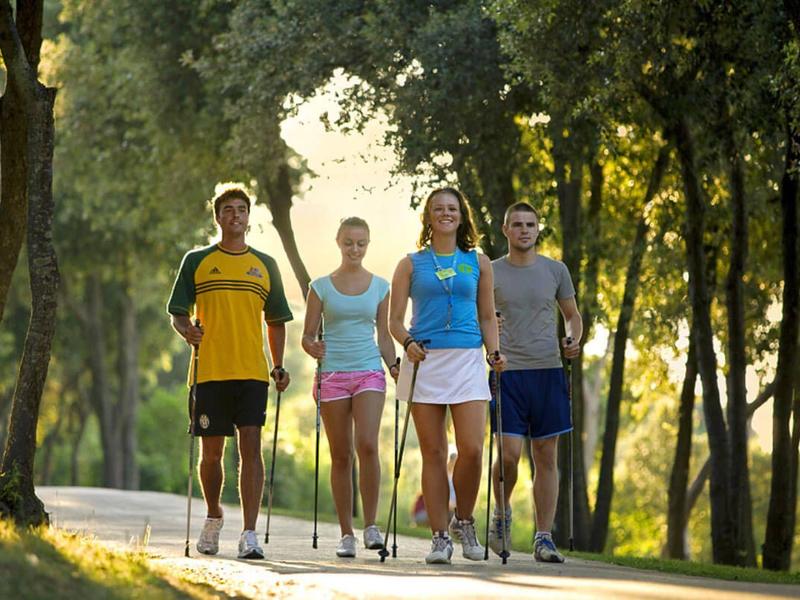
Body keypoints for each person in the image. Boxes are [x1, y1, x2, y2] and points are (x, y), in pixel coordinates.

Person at [167, 187, 292, 560]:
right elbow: (178, 313)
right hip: (209, 371)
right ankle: (213, 516)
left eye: (241, 209)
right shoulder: (196, 261)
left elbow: (276, 321)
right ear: (218, 217)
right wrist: (187, 331)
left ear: (248, 218)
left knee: (251, 448)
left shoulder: (265, 264)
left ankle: (249, 534)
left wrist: (278, 365)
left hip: (252, 372)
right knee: (211, 454)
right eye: (228, 210)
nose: (235, 215)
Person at [389, 187, 506, 564]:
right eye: (438, 208)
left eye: (452, 208)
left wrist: (493, 351)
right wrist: (407, 343)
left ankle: (464, 521)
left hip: (468, 360)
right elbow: (394, 321)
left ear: (461, 216)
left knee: (471, 449)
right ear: (428, 217)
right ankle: (440, 537)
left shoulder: (478, 262)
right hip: (425, 359)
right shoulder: (410, 264)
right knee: (435, 453)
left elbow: (487, 315)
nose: (445, 213)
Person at [488, 201, 582, 563]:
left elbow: (572, 315)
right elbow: (480, 317)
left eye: (530, 224)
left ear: (538, 229)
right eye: (517, 224)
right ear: (506, 230)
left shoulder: (555, 270)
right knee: (509, 456)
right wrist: (489, 341)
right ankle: (502, 513)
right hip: (507, 373)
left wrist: (573, 339)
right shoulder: (490, 271)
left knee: (545, 455)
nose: (524, 230)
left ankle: (544, 537)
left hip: (548, 370)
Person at [301, 217, 399, 558]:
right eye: (348, 243)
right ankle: (346, 533)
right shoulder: (320, 287)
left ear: (368, 244)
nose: (354, 249)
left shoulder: (381, 287)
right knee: (341, 455)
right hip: (332, 375)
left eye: (360, 243)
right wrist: (311, 346)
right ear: (338, 243)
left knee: (368, 444)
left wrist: (394, 366)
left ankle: (371, 526)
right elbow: (307, 335)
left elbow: (384, 336)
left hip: (369, 371)